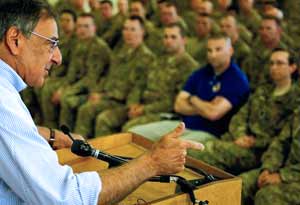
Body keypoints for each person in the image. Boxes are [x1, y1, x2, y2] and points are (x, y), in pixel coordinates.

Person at [0, 1, 204, 204]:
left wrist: (47, 134)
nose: (58, 58)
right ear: (15, 40)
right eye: (51, 43)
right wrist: (152, 163)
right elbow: (67, 198)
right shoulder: (4, 103)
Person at [191, 48, 300, 176]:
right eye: (271, 63)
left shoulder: (295, 99)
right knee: (197, 153)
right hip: (240, 142)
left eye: (279, 63)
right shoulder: (263, 91)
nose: (274, 67)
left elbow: (285, 136)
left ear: (292, 67)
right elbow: (240, 116)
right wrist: (240, 135)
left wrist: (255, 142)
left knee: (201, 153)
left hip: (262, 152)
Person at [174, 33, 250, 137]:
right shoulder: (202, 72)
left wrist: (192, 99)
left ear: (230, 51)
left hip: (209, 133)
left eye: (218, 49)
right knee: (145, 135)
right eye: (209, 50)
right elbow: (178, 105)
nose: (213, 55)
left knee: (167, 146)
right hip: (182, 125)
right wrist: (206, 107)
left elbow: (213, 114)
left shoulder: (237, 79)